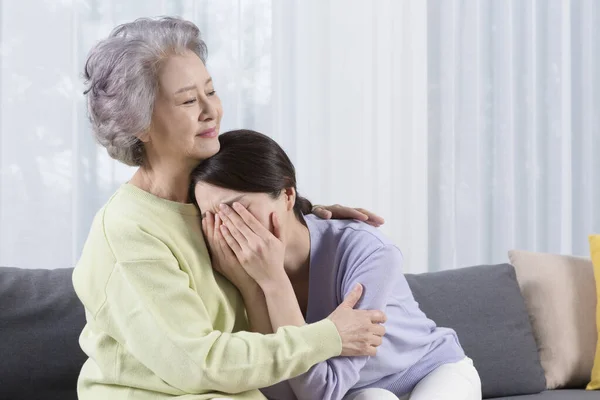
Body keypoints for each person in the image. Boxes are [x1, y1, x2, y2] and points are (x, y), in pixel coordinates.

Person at [73, 17, 388, 400]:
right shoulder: (128, 233)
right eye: (189, 100)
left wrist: (306, 215)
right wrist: (329, 337)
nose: (212, 111)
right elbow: (198, 364)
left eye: (211, 91)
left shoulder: (207, 201)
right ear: (139, 123)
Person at [190, 129, 483, 400]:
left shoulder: (368, 250)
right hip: (359, 392)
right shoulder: (229, 270)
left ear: (287, 195)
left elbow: (323, 389)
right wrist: (252, 287)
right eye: (211, 216)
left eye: (238, 208)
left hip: (431, 371)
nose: (228, 228)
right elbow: (278, 391)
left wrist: (274, 280)